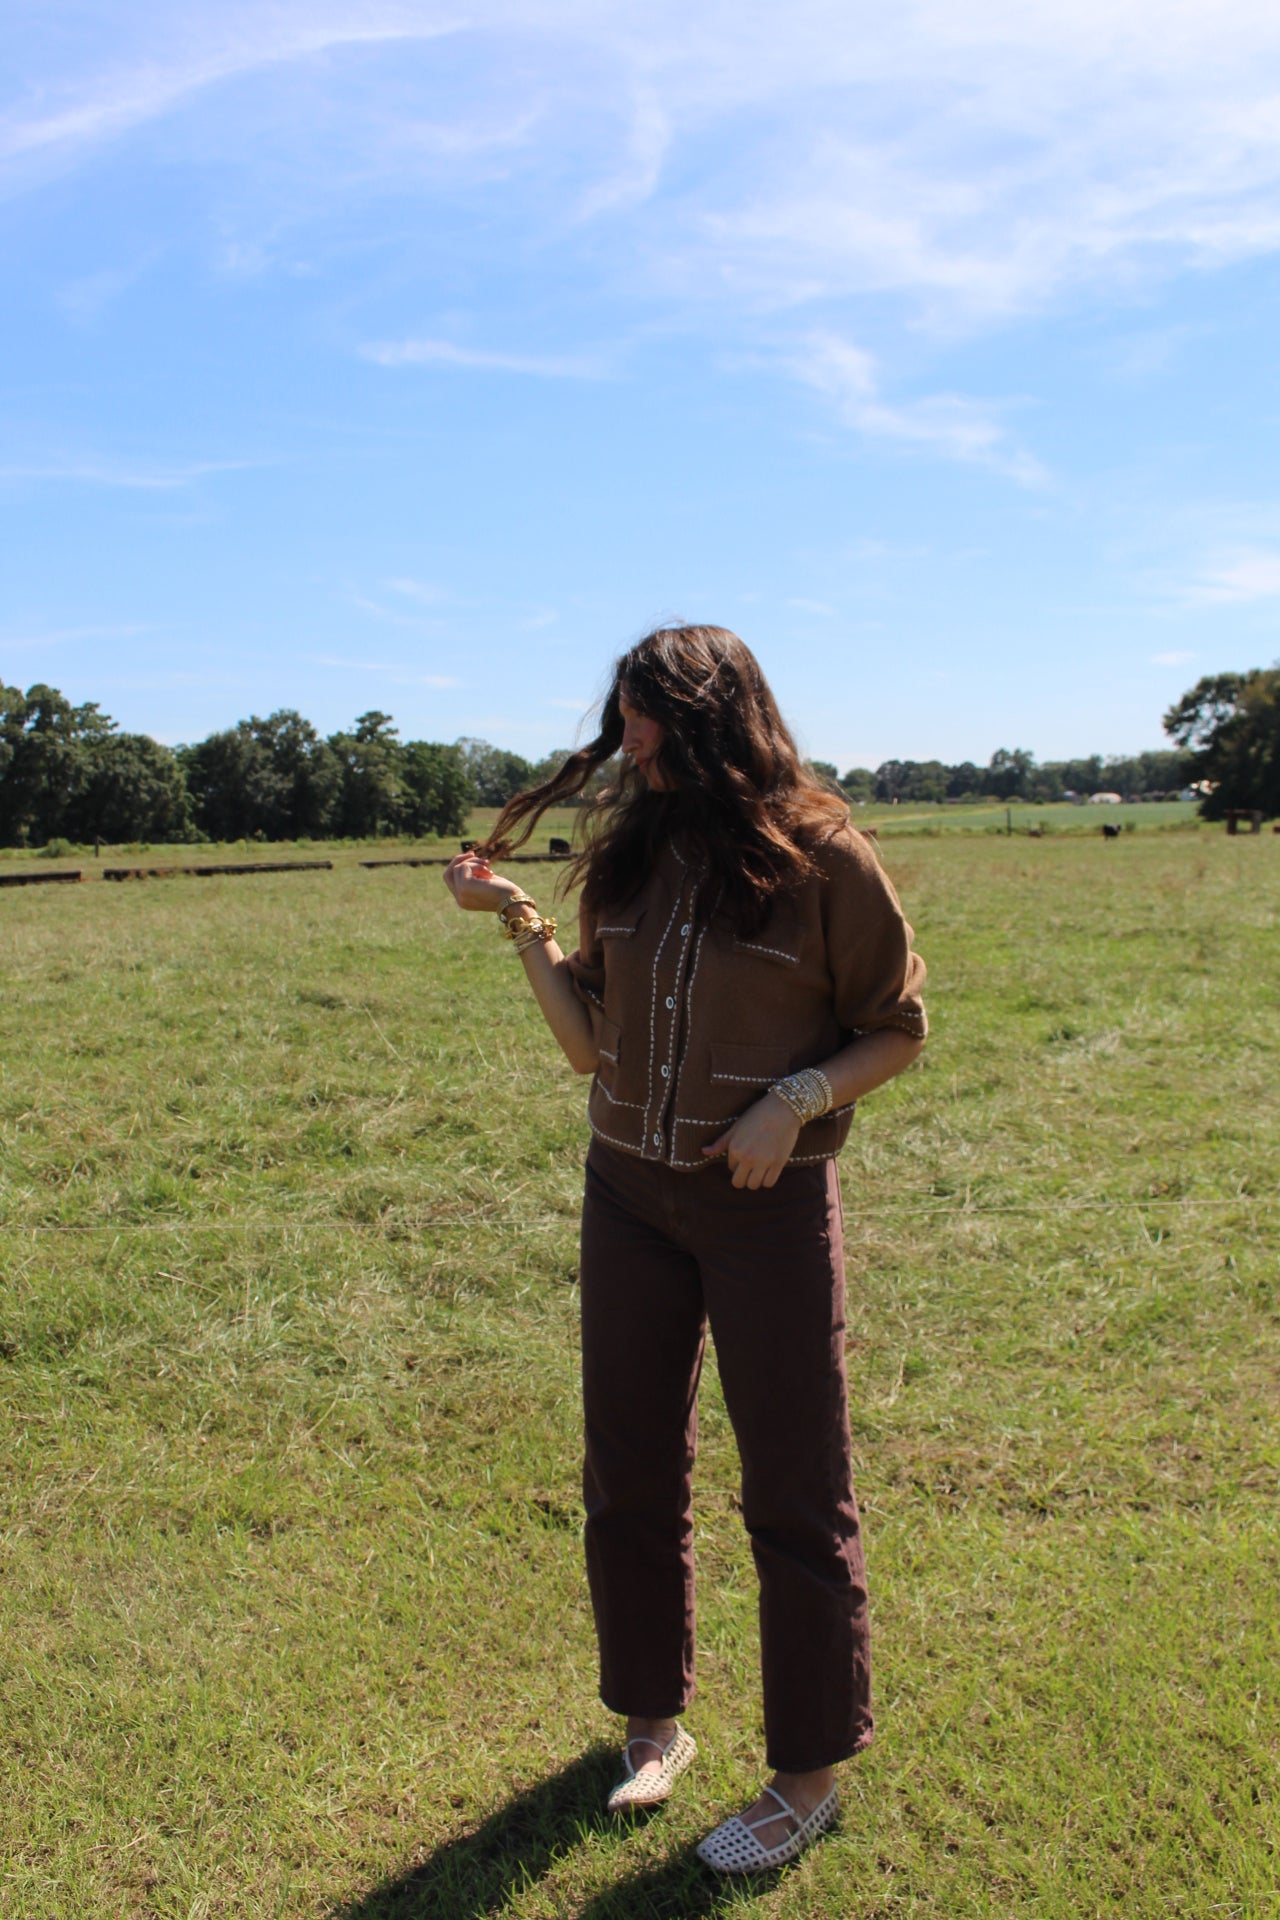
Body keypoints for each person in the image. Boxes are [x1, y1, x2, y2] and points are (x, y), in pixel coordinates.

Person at [443, 625, 926, 1874]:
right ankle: (651, 1725)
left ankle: (806, 1776)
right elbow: (591, 1051)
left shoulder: (825, 856)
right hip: (627, 1198)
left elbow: (897, 1027)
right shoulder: (630, 857)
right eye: (624, 714)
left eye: (649, 717)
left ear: (715, 720)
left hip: (765, 1208)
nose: (629, 739)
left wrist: (794, 1098)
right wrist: (521, 928)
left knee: (794, 1493)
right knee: (628, 1472)